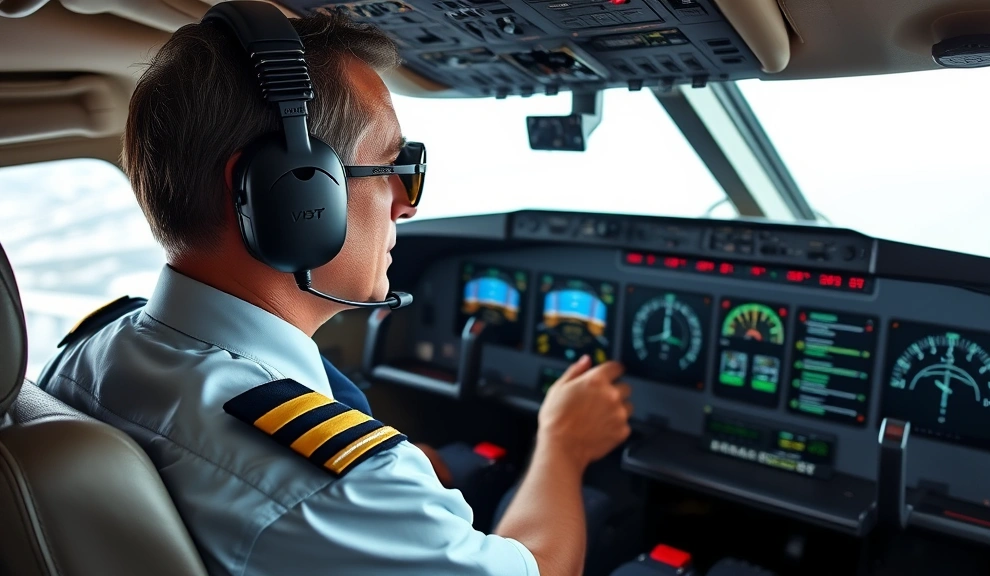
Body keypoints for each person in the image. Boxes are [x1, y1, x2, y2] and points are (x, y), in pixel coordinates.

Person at [40, 5, 632, 576]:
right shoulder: (325, 484)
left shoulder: (94, 350)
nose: (407, 203)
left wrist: (406, 478)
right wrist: (563, 445)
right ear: (290, 193)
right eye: (393, 167)